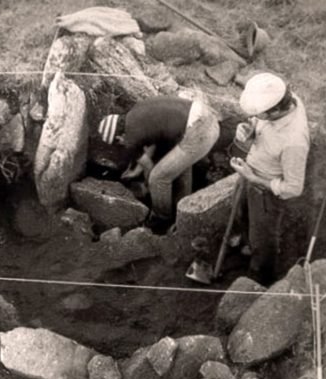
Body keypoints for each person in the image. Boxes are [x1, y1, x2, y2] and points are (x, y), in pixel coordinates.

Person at [230, 72, 310, 285]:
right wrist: (250, 129)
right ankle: (248, 246)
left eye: (261, 114)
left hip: (265, 191)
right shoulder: (282, 98)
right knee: (241, 214)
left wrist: (254, 179)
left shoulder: (294, 142)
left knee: (263, 239)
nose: (257, 116)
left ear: (275, 111)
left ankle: (260, 278)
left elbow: (293, 188)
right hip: (250, 170)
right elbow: (258, 121)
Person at [98, 94, 220, 227]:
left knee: (158, 178)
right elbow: (151, 146)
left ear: (118, 138)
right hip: (206, 118)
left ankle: (161, 219)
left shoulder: (130, 138)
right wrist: (136, 171)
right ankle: (182, 213)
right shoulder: (135, 114)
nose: (122, 144)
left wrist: (147, 186)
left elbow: (149, 167)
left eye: (119, 143)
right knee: (179, 169)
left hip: (199, 132)